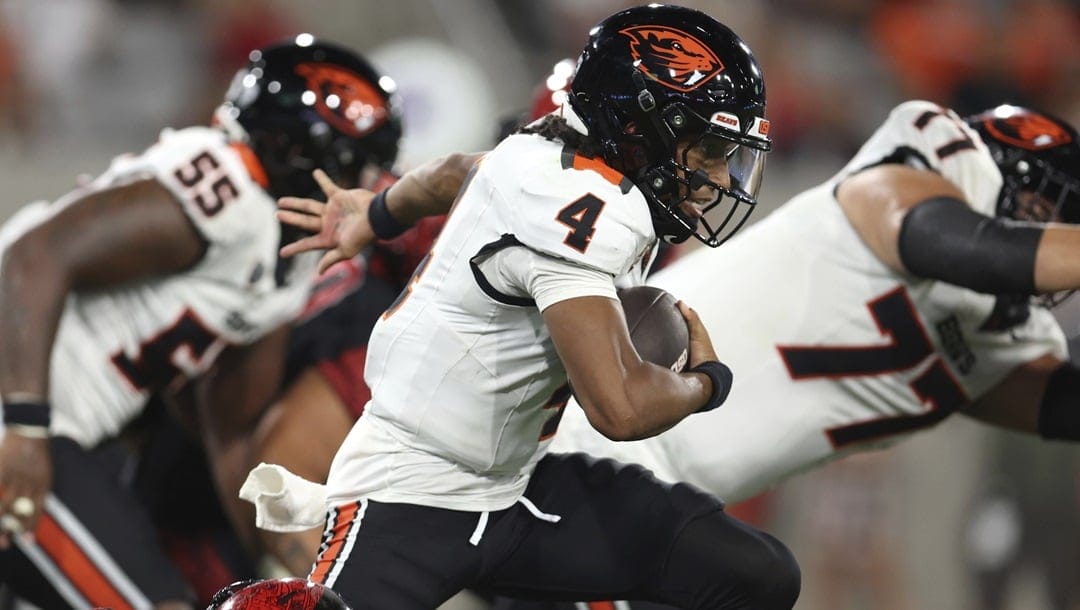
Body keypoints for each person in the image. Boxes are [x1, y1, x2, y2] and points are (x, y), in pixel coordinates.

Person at [258, 4, 799, 609]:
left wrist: (377, 214)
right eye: (705, 149)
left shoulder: (544, 152)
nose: (717, 175)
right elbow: (618, 411)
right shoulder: (581, 211)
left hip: (517, 488)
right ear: (641, 128)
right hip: (409, 495)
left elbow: (452, 172)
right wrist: (708, 383)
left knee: (757, 574)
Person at [0, 36, 402, 609]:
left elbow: (232, 434)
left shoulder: (287, 257)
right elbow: (33, 256)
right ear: (309, 155)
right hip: (31, 425)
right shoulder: (228, 182)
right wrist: (23, 426)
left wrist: (284, 563)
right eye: (359, 166)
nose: (369, 188)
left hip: (71, 437)